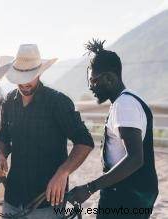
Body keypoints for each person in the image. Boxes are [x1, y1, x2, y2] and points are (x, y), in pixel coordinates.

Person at [0, 44, 95, 218]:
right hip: (12, 199)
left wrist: (63, 172)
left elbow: (85, 141)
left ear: (39, 73)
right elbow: (3, 137)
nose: (25, 82)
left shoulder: (58, 102)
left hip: (47, 203)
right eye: (21, 76)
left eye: (30, 76)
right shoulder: (8, 102)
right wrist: (1, 154)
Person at [68, 39, 159, 219]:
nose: (90, 87)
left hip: (125, 197)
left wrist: (90, 188)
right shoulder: (130, 100)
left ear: (109, 78)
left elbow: (135, 159)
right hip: (131, 195)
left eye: (93, 81)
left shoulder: (124, 105)